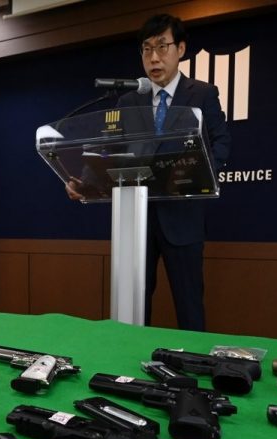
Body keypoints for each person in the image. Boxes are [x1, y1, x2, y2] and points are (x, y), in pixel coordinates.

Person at [67, 14, 231, 331]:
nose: (153, 57)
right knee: (133, 305)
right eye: (146, 49)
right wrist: (85, 182)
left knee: (189, 304)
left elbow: (221, 141)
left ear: (180, 49)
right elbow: (109, 149)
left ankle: (193, 359)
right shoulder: (129, 99)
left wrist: (201, 172)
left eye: (161, 46)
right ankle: (129, 357)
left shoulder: (202, 93)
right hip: (134, 218)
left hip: (182, 217)